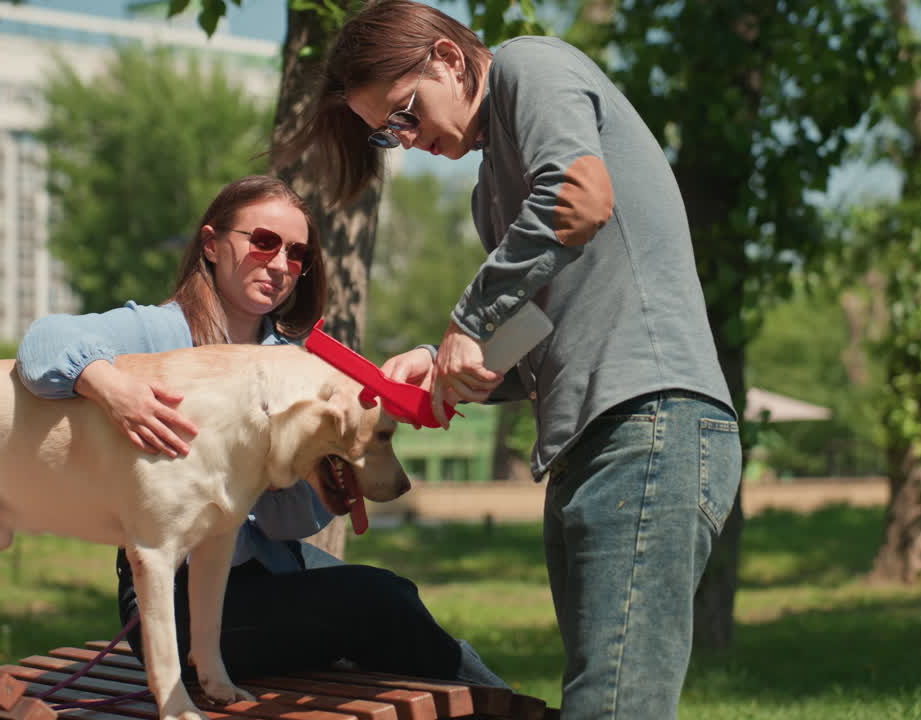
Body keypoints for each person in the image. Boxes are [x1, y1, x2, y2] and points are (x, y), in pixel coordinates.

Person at [273, 3, 743, 717]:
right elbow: (535, 340)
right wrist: (441, 370)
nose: (405, 139)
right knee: (602, 689)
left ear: (449, 60)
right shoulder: (489, 195)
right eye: (386, 133)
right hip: (587, 443)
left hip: (650, 423)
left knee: (612, 703)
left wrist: (468, 317)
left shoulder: (531, 65)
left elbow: (581, 195)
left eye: (404, 113)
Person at [15, 174, 504, 688]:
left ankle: (505, 703)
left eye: (296, 254)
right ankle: (510, 707)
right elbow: (43, 343)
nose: (279, 265)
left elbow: (290, 524)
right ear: (211, 243)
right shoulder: (161, 333)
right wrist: (116, 391)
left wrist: (315, 470)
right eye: (263, 242)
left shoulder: (296, 364)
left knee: (396, 594)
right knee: (375, 603)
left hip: (269, 566)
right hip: (173, 600)